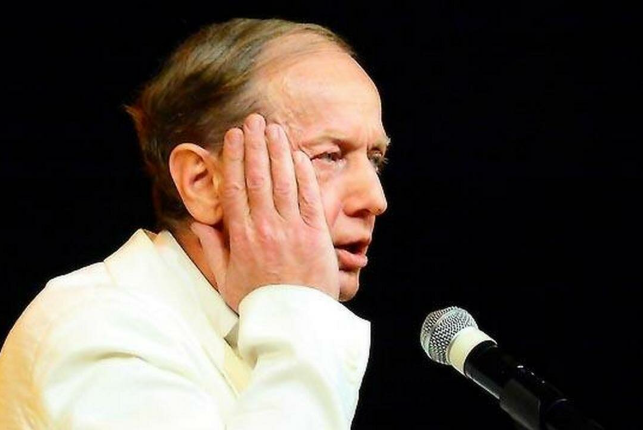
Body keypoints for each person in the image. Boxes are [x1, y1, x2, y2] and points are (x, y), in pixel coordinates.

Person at [0, 17, 390, 429]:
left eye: (375, 159)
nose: (375, 199)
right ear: (202, 182)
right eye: (329, 156)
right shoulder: (96, 330)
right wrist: (301, 311)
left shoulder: (250, 329)